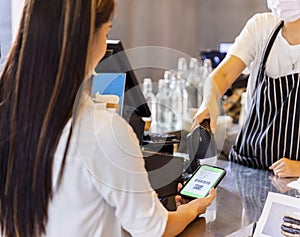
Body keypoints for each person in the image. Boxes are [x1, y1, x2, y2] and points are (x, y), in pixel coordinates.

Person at [0, 0, 215, 237]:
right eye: (107, 31)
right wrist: (194, 208)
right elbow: (154, 229)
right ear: (86, 40)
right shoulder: (104, 131)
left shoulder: (9, 112)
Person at [193, 0, 300, 178]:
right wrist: (209, 100)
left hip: (292, 183)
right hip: (248, 167)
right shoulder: (262, 26)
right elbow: (223, 75)